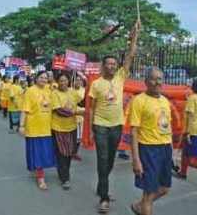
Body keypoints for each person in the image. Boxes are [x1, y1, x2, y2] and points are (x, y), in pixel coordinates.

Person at [88, 19, 140, 213]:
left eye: (113, 64)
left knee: (110, 160)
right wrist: (93, 129)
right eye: (108, 64)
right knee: (102, 159)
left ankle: (102, 184)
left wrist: (134, 36)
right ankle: (104, 197)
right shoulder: (96, 84)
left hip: (117, 125)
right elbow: (92, 108)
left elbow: (131, 55)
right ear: (103, 66)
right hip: (100, 125)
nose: (111, 66)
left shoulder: (120, 77)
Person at [129, 67, 173, 215]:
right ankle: (143, 207)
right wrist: (136, 160)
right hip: (148, 150)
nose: (157, 82)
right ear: (146, 81)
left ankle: (138, 206)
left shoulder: (165, 101)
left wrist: (171, 151)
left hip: (165, 148)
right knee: (149, 194)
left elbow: (167, 127)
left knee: (164, 188)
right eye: (154, 79)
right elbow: (134, 132)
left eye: (160, 79)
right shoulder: (139, 101)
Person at [19, 71, 57, 190]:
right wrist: (21, 125)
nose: (44, 80)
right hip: (34, 127)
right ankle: (41, 179)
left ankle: (38, 170)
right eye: (41, 77)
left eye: (46, 78)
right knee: (37, 153)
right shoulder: (30, 91)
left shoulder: (49, 90)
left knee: (43, 153)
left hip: (47, 128)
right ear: (36, 78)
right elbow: (25, 110)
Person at [51, 72, 84, 190]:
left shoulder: (72, 92)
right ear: (57, 82)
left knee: (70, 152)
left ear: (69, 81)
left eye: (65, 80)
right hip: (58, 128)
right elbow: (59, 111)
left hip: (72, 127)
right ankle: (65, 178)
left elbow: (83, 101)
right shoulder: (54, 94)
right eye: (61, 81)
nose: (63, 83)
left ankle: (64, 172)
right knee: (62, 153)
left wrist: (87, 82)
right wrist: (77, 112)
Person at [72, 74, 86, 161]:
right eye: (76, 80)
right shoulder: (70, 90)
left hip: (81, 117)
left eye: (80, 80)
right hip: (71, 117)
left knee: (78, 137)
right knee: (71, 137)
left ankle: (75, 152)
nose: (78, 81)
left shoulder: (84, 90)